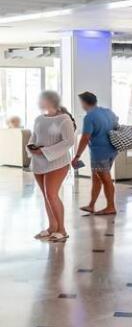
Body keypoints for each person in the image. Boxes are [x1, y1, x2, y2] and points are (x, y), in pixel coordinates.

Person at [26, 90, 76, 242]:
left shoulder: (64, 119)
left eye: (41, 99)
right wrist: (31, 147)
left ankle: (62, 230)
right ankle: (52, 227)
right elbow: (34, 137)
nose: (38, 102)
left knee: (52, 195)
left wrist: (45, 151)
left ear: (50, 101)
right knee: (46, 196)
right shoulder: (39, 119)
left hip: (57, 162)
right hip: (39, 162)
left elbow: (69, 141)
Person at [72, 91, 119, 216]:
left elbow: (85, 138)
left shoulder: (89, 117)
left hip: (99, 152)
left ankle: (111, 207)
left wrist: (77, 156)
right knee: (96, 177)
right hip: (112, 150)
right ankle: (91, 205)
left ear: (84, 103)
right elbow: (116, 126)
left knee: (105, 179)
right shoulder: (108, 112)